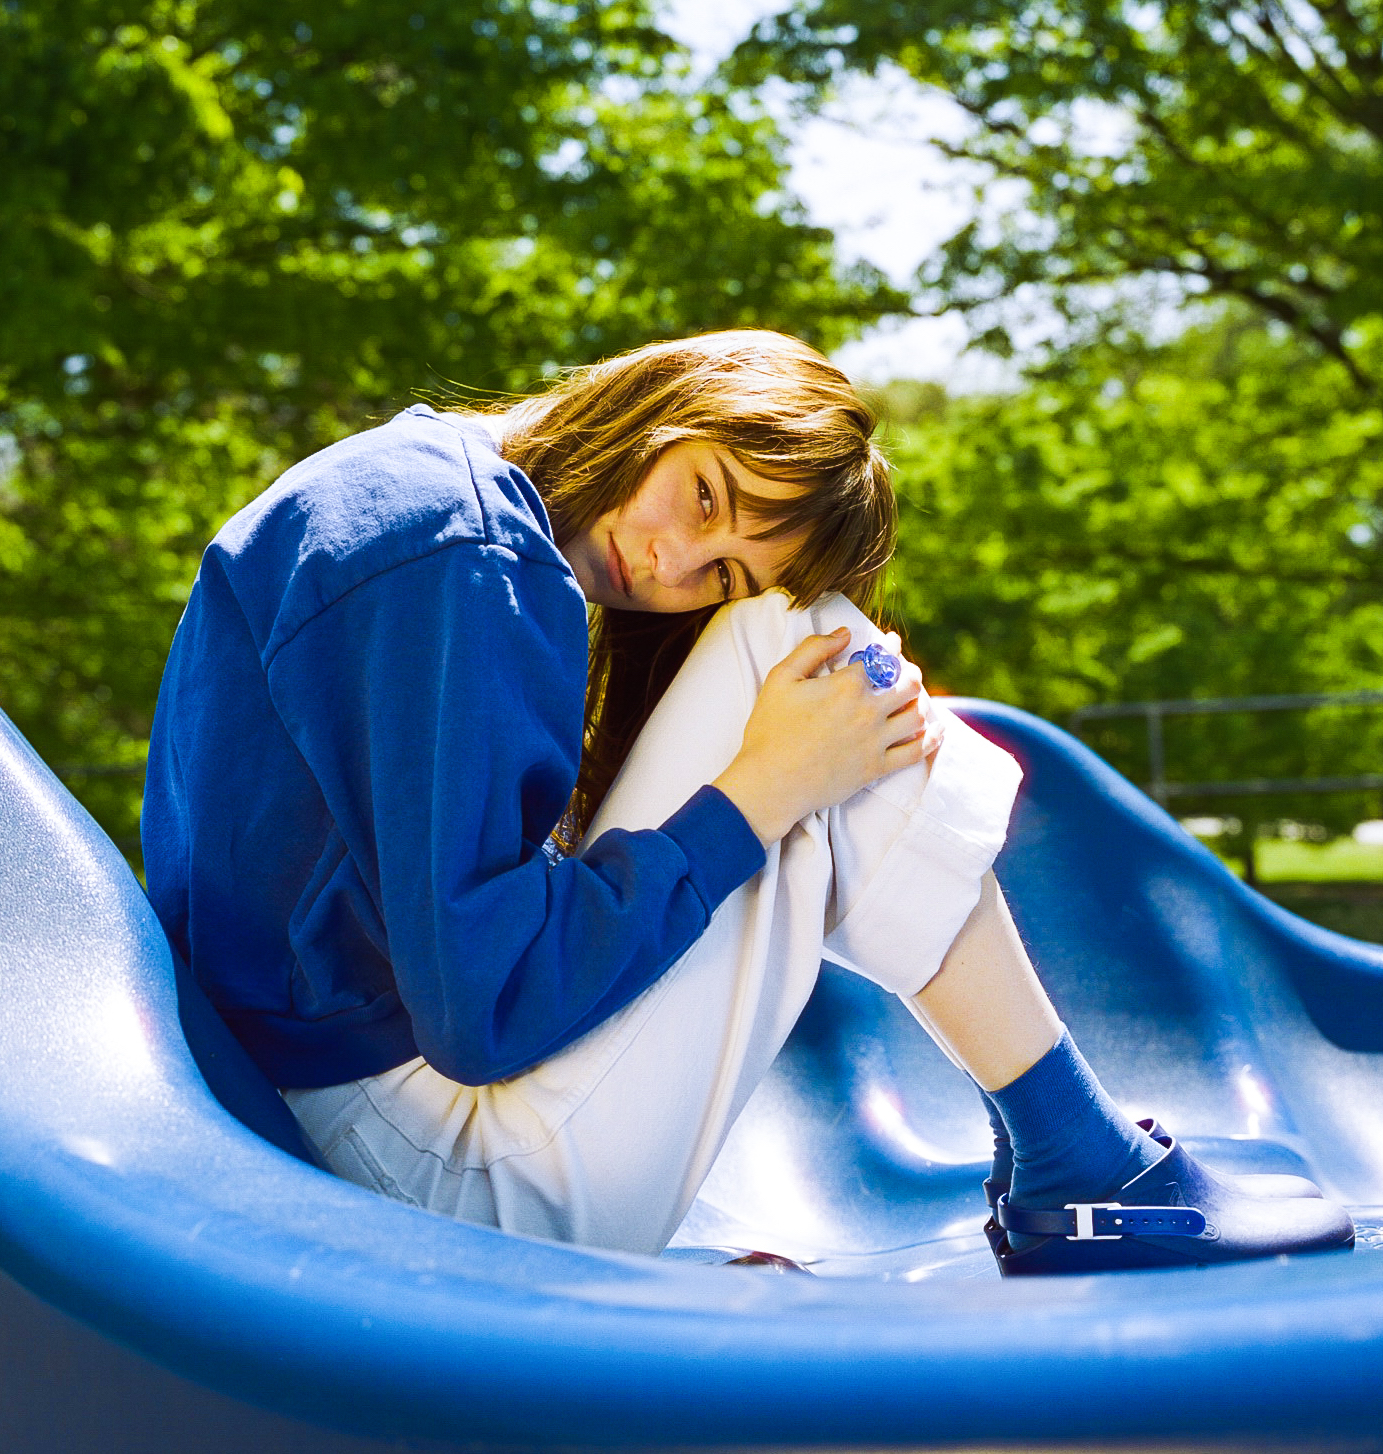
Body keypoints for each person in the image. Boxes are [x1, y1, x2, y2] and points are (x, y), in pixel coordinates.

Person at [143, 330, 1354, 1275]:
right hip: (413, 1183)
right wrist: (762, 789)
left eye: (719, 569)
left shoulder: (421, 493)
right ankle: (1080, 1164)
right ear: (673, 399)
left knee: (814, 657)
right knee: (818, 649)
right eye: (708, 493)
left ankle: (1072, 1153)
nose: (673, 564)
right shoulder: (465, 553)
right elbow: (487, 1008)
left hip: (335, 1118)